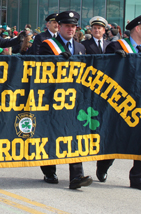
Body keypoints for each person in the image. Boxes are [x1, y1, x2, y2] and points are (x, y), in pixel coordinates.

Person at [102, 13, 141, 191]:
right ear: (137, 29)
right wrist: (114, 59)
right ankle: (103, 165)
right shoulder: (115, 46)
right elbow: (105, 72)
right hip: (120, 102)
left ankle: (138, 177)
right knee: (116, 137)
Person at [38, 11, 93, 190]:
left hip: (74, 99)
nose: (71, 29)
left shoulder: (81, 48)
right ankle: (49, 170)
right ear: (59, 27)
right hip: (52, 98)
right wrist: (57, 60)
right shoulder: (48, 45)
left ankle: (76, 176)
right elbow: (40, 67)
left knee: (74, 134)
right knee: (50, 134)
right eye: (67, 26)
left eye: (73, 26)